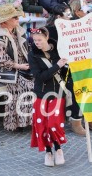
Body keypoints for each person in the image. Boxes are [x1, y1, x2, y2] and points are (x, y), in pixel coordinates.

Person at [0, 4, 34, 131]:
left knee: (39, 81)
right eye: (14, 17)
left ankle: (32, 120)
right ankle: (17, 123)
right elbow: (1, 60)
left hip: (23, 66)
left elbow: (28, 50)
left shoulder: (19, 31)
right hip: (6, 70)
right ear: (5, 21)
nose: (17, 19)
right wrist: (19, 66)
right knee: (24, 85)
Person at [28, 28, 68, 167]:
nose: (37, 43)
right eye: (35, 40)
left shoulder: (59, 49)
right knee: (42, 125)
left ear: (47, 37)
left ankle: (58, 148)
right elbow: (40, 76)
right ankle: (48, 151)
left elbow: (66, 69)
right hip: (41, 93)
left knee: (53, 124)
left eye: (39, 40)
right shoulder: (33, 54)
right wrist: (57, 66)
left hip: (57, 92)